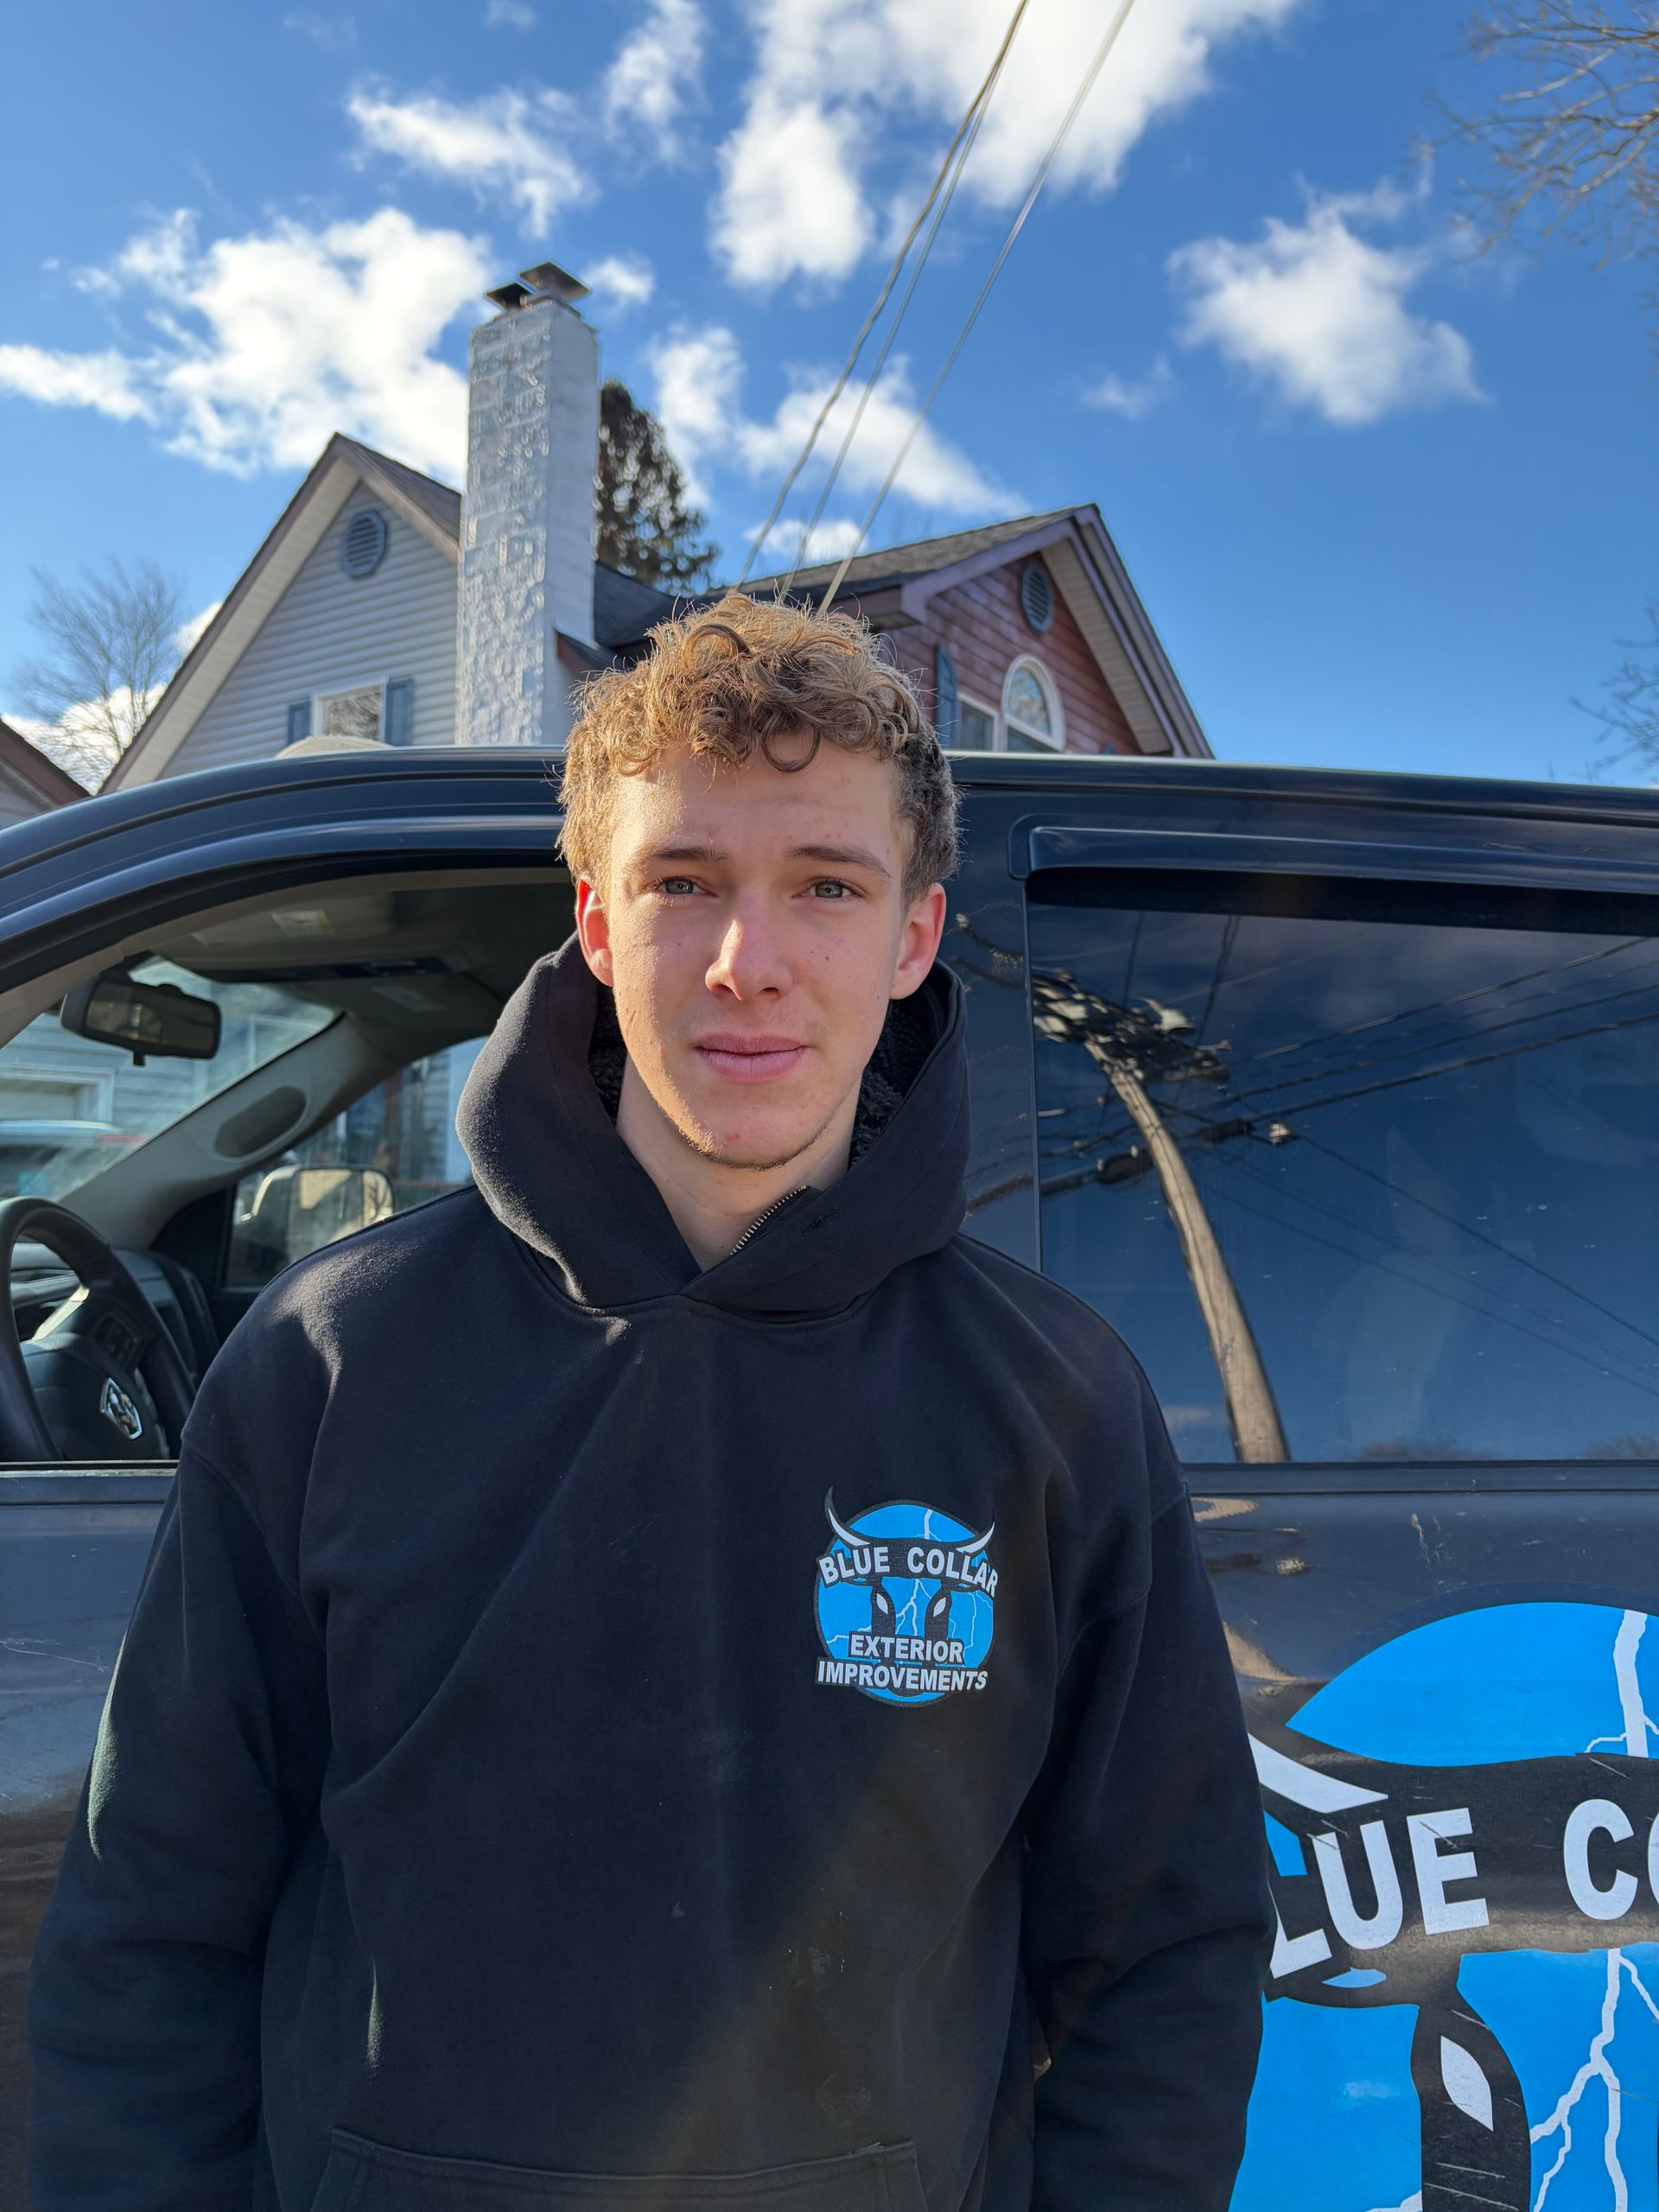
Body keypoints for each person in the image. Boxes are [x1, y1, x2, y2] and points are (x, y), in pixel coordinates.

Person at [28, 594, 1274, 2212]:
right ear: (599, 926)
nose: (748, 962)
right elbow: (153, 1924)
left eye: (825, 884)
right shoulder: (331, 1356)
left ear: (913, 937)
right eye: (685, 883)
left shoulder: (1058, 1405)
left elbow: (1167, 1956)